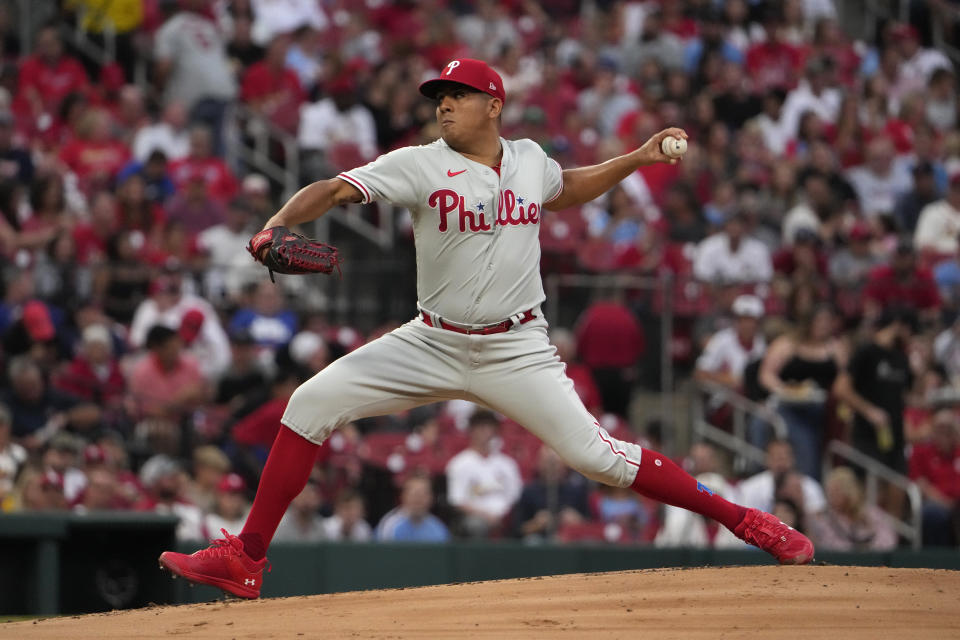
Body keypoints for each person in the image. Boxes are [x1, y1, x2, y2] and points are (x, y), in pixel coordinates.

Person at [159, 58, 813, 599]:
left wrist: (636, 158)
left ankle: (747, 521)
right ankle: (245, 557)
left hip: (516, 348)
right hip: (432, 340)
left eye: (459, 95)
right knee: (308, 403)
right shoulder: (418, 162)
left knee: (597, 458)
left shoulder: (529, 159)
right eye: (439, 96)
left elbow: (566, 188)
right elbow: (332, 190)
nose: (444, 105)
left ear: (493, 105)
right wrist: (277, 224)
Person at [759, 305, 844, 479]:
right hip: (790, 407)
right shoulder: (787, 344)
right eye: (819, 321)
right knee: (805, 449)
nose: (823, 326)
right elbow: (766, 374)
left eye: (827, 322)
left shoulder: (836, 348)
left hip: (823, 410)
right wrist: (784, 390)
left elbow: (845, 378)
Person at [445, 410, 522, 538]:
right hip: (476, 519)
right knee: (476, 525)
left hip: (506, 517)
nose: (486, 432)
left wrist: (502, 515)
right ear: (471, 430)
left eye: (489, 427)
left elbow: (515, 496)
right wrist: (487, 516)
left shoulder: (507, 464)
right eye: (481, 427)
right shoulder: (459, 464)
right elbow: (457, 501)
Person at [808, 466, 898, 552]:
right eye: (830, 492)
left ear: (849, 491)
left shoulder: (871, 513)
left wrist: (869, 549)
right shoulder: (825, 518)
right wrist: (856, 550)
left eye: (837, 491)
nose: (832, 497)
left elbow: (888, 539)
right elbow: (830, 546)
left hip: (876, 563)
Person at [907, 408, 960, 547]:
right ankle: (939, 562)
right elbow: (920, 483)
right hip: (937, 503)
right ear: (932, 431)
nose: (945, 432)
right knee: (933, 514)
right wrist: (946, 504)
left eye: (949, 428)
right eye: (940, 428)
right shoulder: (921, 452)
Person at [376, 473, 451, 543]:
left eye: (423, 493)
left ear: (431, 498)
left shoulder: (438, 528)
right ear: (403, 496)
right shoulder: (389, 525)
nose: (418, 498)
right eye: (413, 493)